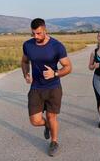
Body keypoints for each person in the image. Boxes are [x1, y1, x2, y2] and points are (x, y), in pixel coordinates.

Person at [21, 18, 72, 157]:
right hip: (36, 87)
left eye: (38, 33)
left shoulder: (57, 46)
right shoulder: (28, 45)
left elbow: (68, 67)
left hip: (53, 87)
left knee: (51, 117)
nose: (36, 37)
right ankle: (46, 126)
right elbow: (24, 61)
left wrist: (55, 73)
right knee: (35, 120)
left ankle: (54, 142)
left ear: (45, 30)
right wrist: (26, 74)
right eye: (33, 34)